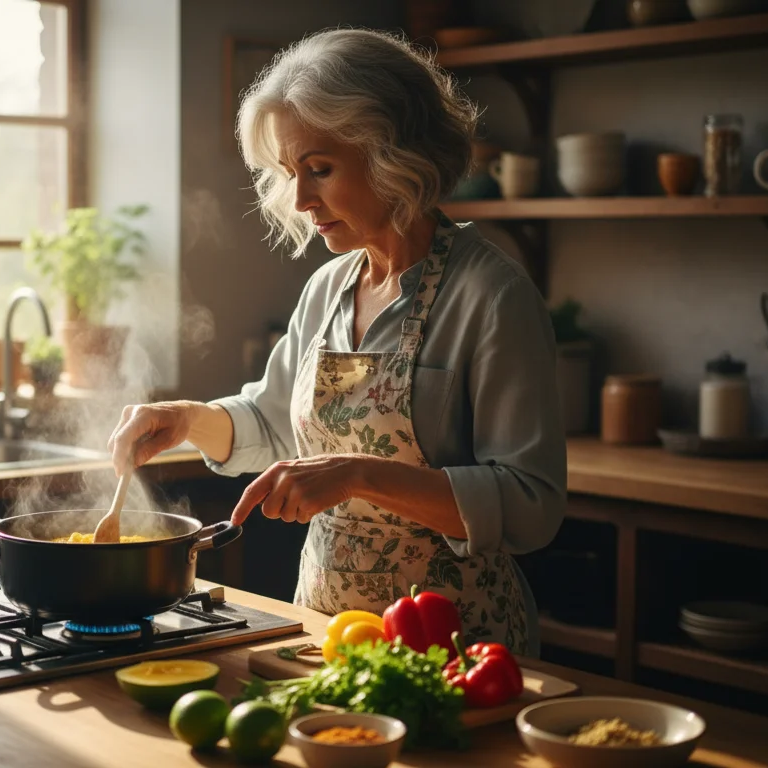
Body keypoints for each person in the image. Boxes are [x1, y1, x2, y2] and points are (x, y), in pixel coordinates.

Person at [108, 28, 565, 655]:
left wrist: (357, 475)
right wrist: (187, 420)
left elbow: (531, 504)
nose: (299, 199)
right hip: (328, 633)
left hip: (458, 646)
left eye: (319, 169)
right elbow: (273, 428)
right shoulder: (329, 287)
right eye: (289, 173)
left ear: (393, 155)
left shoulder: (492, 297)